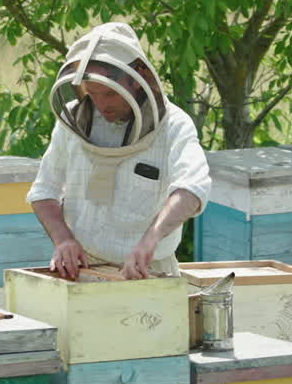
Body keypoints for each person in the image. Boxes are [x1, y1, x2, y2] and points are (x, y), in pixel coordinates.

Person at [27, 22, 212, 280]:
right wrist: (63, 240)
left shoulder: (174, 126)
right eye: (93, 93)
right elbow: (44, 190)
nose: (102, 104)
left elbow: (192, 189)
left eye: (111, 94)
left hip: (147, 271)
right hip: (81, 269)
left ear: (137, 79)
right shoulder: (73, 120)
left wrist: (151, 240)